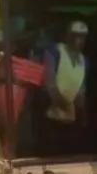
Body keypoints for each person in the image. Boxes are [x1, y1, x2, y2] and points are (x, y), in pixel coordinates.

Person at [38, 20, 89, 156]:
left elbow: (81, 88)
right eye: (76, 36)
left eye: (82, 37)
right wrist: (63, 102)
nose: (79, 41)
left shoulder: (83, 59)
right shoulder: (55, 51)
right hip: (52, 114)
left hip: (71, 117)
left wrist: (82, 112)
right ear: (68, 36)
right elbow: (49, 82)